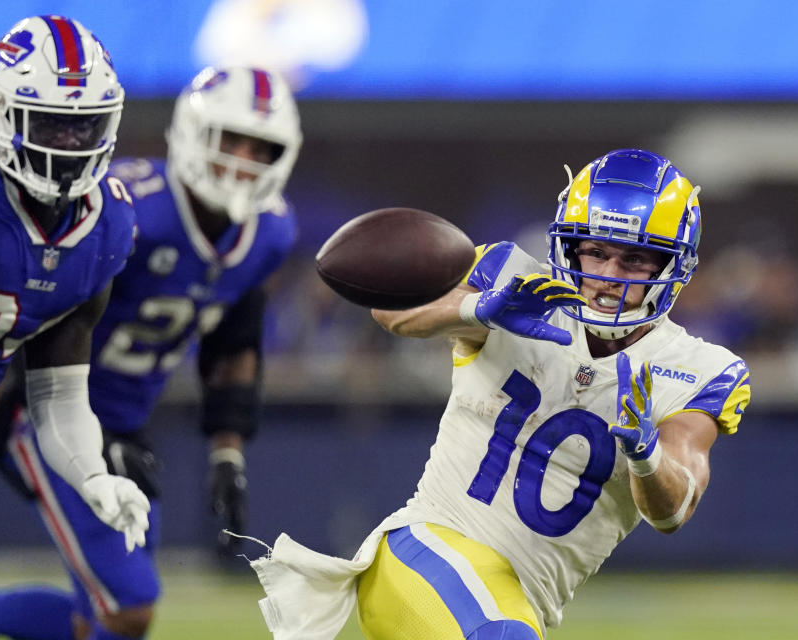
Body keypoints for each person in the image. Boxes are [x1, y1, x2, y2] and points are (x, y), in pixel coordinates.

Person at [245, 148, 751, 639]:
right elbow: (391, 309)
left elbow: (674, 510)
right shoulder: (513, 280)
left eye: (634, 260)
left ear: (671, 267)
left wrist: (645, 453)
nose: (608, 277)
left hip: (510, 605)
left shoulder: (701, 369)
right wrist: (476, 310)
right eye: (595, 251)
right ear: (570, 246)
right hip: (424, 552)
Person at [0, 65, 303, 640]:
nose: (242, 160)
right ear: (192, 134)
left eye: (260, 147)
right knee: (129, 605)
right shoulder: (129, 209)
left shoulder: (271, 233)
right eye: (229, 139)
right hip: (49, 419)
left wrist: (226, 453)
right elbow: (43, 307)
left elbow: (234, 343)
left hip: (129, 433)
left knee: (101, 618)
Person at [0, 14, 151, 640]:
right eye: (48, 122)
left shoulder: (105, 232)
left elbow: (58, 395)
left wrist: (94, 476)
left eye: (84, 126)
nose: (67, 143)